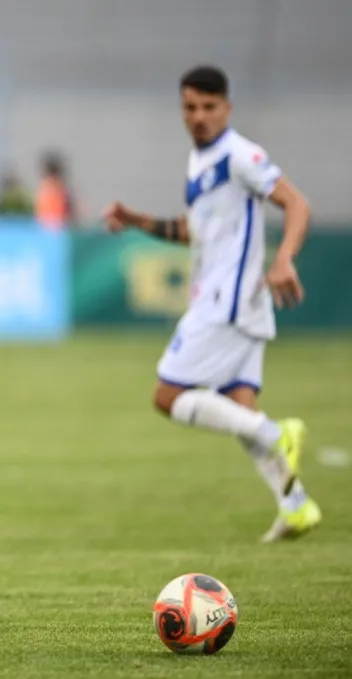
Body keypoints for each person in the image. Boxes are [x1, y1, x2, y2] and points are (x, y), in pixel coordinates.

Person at [102, 65, 321, 543]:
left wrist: (284, 258)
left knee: (167, 396)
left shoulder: (240, 155)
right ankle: (295, 504)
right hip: (238, 302)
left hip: (227, 300)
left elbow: (297, 204)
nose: (199, 116)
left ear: (227, 108)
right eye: (190, 107)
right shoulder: (199, 162)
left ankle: (276, 432)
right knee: (239, 406)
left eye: (209, 107)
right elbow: (194, 230)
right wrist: (138, 220)